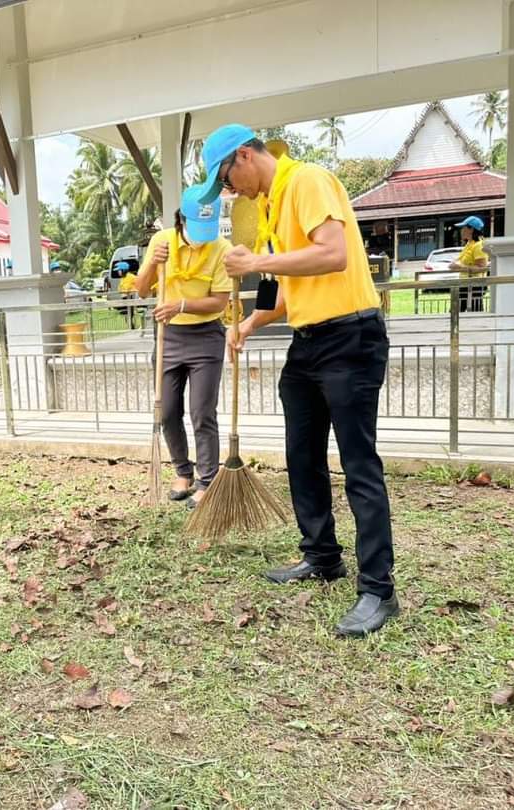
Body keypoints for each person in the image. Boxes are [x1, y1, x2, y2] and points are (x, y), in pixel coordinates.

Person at [199, 124, 397, 637]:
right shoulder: (270, 204)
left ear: (243, 157)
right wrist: (249, 323)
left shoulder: (308, 180)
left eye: (225, 179)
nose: (229, 191)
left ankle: (378, 590)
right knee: (301, 456)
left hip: (351, 336)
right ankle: (322, 557)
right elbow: (287, 291)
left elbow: (334, 255)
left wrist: (257, 260)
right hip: (307, 343)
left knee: (358, 465)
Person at [135, 184, 233, 510]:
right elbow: (141, 291)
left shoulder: (221, 248)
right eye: (196, 228)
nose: (202, 236)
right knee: (167, 410)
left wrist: (180, 305)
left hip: (206, 337)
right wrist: (152, 264)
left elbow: (219, 301)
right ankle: (183, 471)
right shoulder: (161, 241)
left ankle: (208, 480)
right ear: (181, 219)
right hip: (169, 337)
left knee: (202, 413)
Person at [449, 215, 489, 312]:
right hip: (464, 284)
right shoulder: (469, 243)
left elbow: (482, 267)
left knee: (474, 312)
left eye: (464, 227)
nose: (461, 230)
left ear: (471, 229)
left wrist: (460, 267)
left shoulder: (479, 245)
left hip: (474, 285)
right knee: (455, 312)